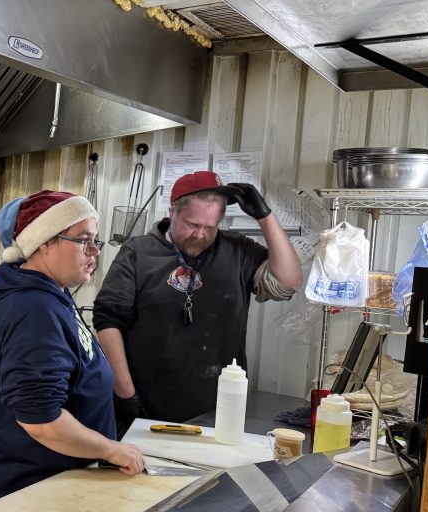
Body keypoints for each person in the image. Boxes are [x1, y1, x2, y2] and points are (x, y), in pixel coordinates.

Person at [0, 190, 145, 511]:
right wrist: (110, 449)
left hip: (51, 483)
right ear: (44, 242)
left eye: (96, 241)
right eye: (83, 240)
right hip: (25, 493)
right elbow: (41, 420)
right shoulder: (34, 309)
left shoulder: (50, 295)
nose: (94, 251)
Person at [93, 171, 302, 430]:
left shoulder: (238, 251)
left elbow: (288, 282)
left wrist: (265, 217)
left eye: (210, 227)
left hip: (216, 412)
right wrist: (125, 393)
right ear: (172, 212)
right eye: (192, 224)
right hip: (145, 408)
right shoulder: (138, 252)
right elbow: (108, 320)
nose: (200, 234)